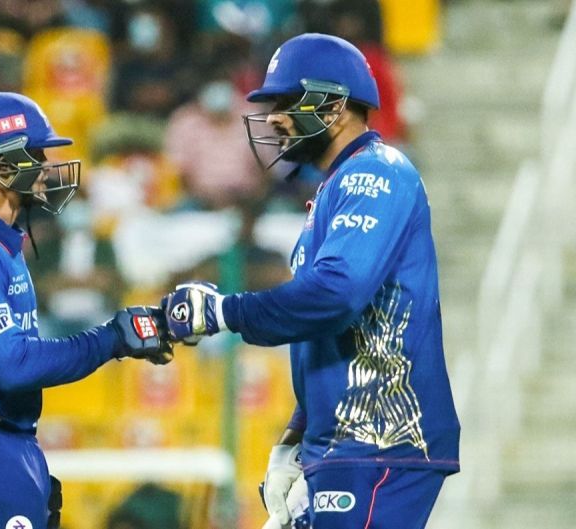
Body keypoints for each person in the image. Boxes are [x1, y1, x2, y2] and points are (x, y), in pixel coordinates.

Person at [161, 34, 460, 529]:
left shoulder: (376, 174)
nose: (274, 117)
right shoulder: (337, 185)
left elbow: (335, 296)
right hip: (345, 443)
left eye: (286, 102)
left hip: (379, 439)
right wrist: (294, 440)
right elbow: (331, 335)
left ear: (336, 106)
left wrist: (222, 311)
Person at [0, 92, 173, 529]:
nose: (49, 169)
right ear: (3, 163)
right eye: (37, 155)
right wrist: (111, 339)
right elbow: (13, 365)